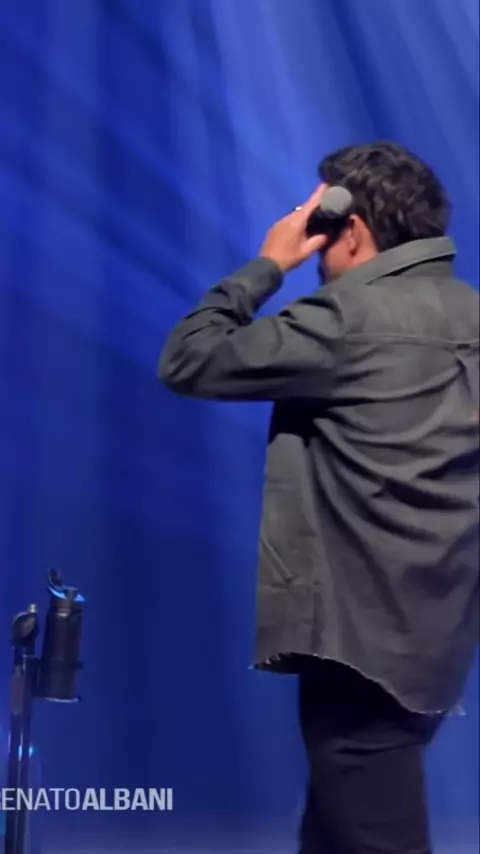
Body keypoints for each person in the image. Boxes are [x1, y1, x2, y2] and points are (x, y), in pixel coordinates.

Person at [159, 142, 479, 853]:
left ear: (350, 227)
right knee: (338, 824)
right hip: (438, 632)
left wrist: (270, 265)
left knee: (373, 828)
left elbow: (188, 359)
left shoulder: (346, 322)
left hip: (355, 636)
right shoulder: (471, 316)